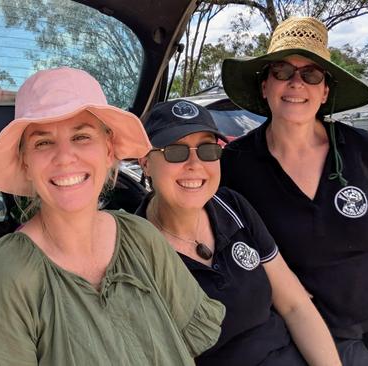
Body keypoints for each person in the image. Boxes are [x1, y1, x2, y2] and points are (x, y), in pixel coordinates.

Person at [0, 67, 225, 365]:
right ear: (25, 161)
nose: (65, 157)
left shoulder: (141, 237)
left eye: (81, 136)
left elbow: (184, 349)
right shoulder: (7, 276)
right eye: (43, 142)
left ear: (108, 150)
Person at [220, 16, 368, 365]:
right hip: (325, 331)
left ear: (325, 92)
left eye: (311, 74)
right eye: (282, 72)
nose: (296, 84)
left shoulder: (360, 146)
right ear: (264, 86)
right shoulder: (234, 164)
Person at [135, 99, 341, 366]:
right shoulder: (135, 248)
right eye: (176, 151)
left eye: (208, 150)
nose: (195, 164)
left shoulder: (232, 206)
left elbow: (295, 306)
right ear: (145, 162)